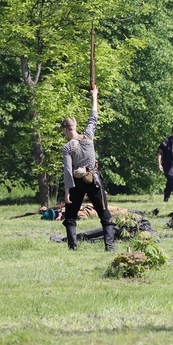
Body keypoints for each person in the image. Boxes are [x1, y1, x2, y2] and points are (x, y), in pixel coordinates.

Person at [60, 88, 115, 251]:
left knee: (70, 217)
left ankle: (73, 248)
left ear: (65, 129)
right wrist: (95, 96)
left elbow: (68, 171)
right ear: (75, 126)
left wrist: (66, 192)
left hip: (77, 182)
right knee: (104, 213)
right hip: (94, 179)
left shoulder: (67, 147)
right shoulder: (89, 136)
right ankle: (110, 247)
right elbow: (94, 117)